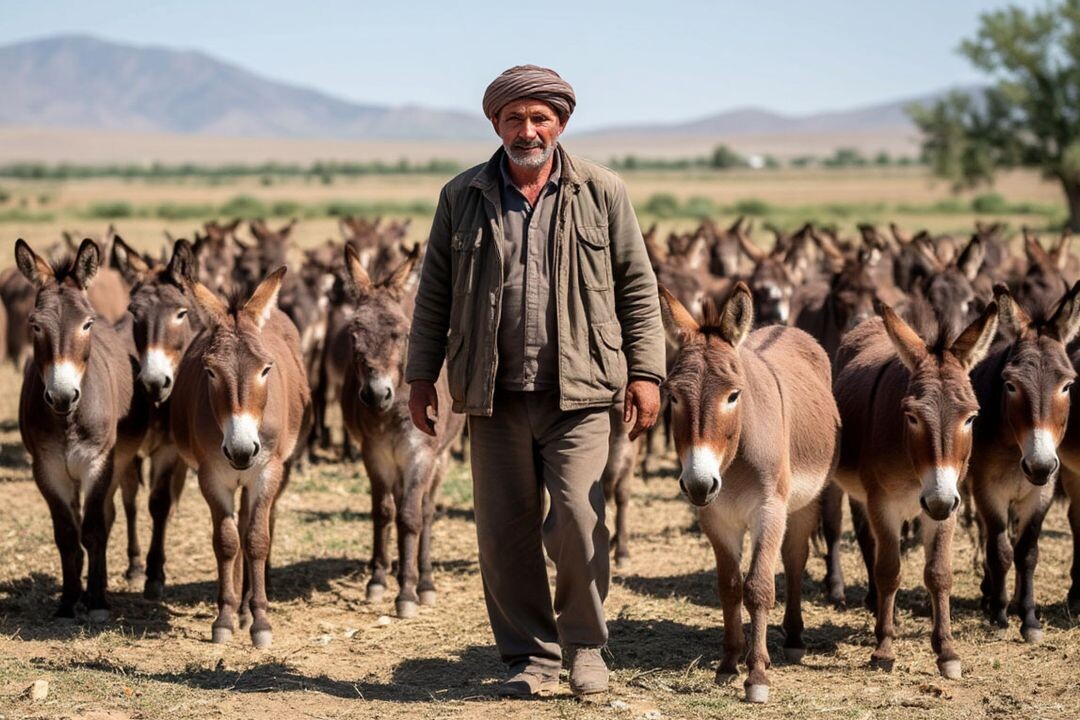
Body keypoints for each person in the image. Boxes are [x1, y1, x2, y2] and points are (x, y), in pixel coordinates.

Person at [405, 64, 665, 699]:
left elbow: (638, 286)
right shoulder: (460, 196)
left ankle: (584, 648)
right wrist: (420, 377)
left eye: (539, 117)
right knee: (503, 530)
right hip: (490, 393)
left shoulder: (603, 192)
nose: (527, 129)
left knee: (577, 518)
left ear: (561, 123)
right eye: (514, 118)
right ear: (495, 123)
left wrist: (648, 371)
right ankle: (531, 657)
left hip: (580, 393)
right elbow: (433, 294)